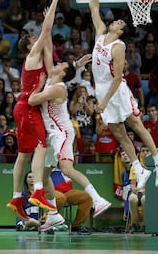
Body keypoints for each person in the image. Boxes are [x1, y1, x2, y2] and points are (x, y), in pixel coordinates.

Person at [88, 0, 158, 192]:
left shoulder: (118, 46)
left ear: (121, 31)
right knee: (118, 133)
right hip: (101, 89)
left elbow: (116, 78)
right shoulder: (101, 33)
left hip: (116, 89)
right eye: (116, 22)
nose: (115, 23)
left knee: (135, 124)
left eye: (119, 24)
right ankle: (139, 168)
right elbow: (94, 7)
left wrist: (103, 103)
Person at [28, 56, 111, 223]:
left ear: (63, 72)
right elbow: (62, 69)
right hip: (51, 135)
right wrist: (77, 65)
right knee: (44, 176)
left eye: (61, 64)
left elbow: (32, 100)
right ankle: (52, 215)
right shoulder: (52, 80)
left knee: (66, 169)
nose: (57, 64)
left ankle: (98, 199)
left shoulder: (58, 88)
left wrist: (37, 87)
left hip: (62, 133)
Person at [7, 0, 62, 222]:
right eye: (34, 38)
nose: (37, 39)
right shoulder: (32, 53)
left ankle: (16, 196)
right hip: (28, 107)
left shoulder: (32, 59)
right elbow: (47, 28)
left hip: (22, 107)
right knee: (41, 146)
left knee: (23, 154)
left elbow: (47, 35)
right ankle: (38, 189)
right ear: (29, 46)